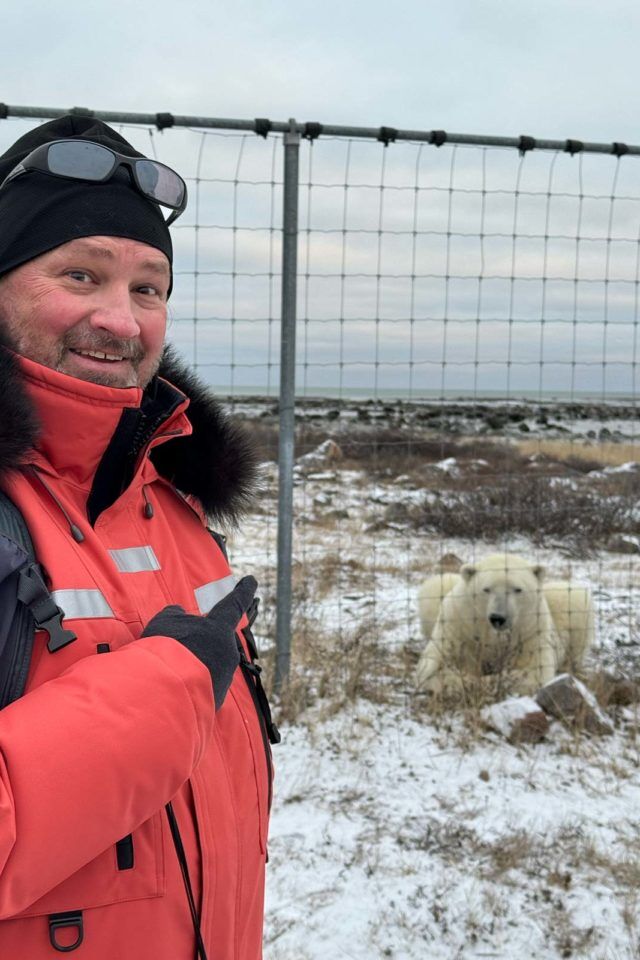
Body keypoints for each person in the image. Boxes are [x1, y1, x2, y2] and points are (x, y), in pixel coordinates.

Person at [0, 115, 274, 959]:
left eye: (148, 288)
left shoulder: (175, 498)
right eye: (79, 274)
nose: (123, 323)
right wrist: (158, 699)